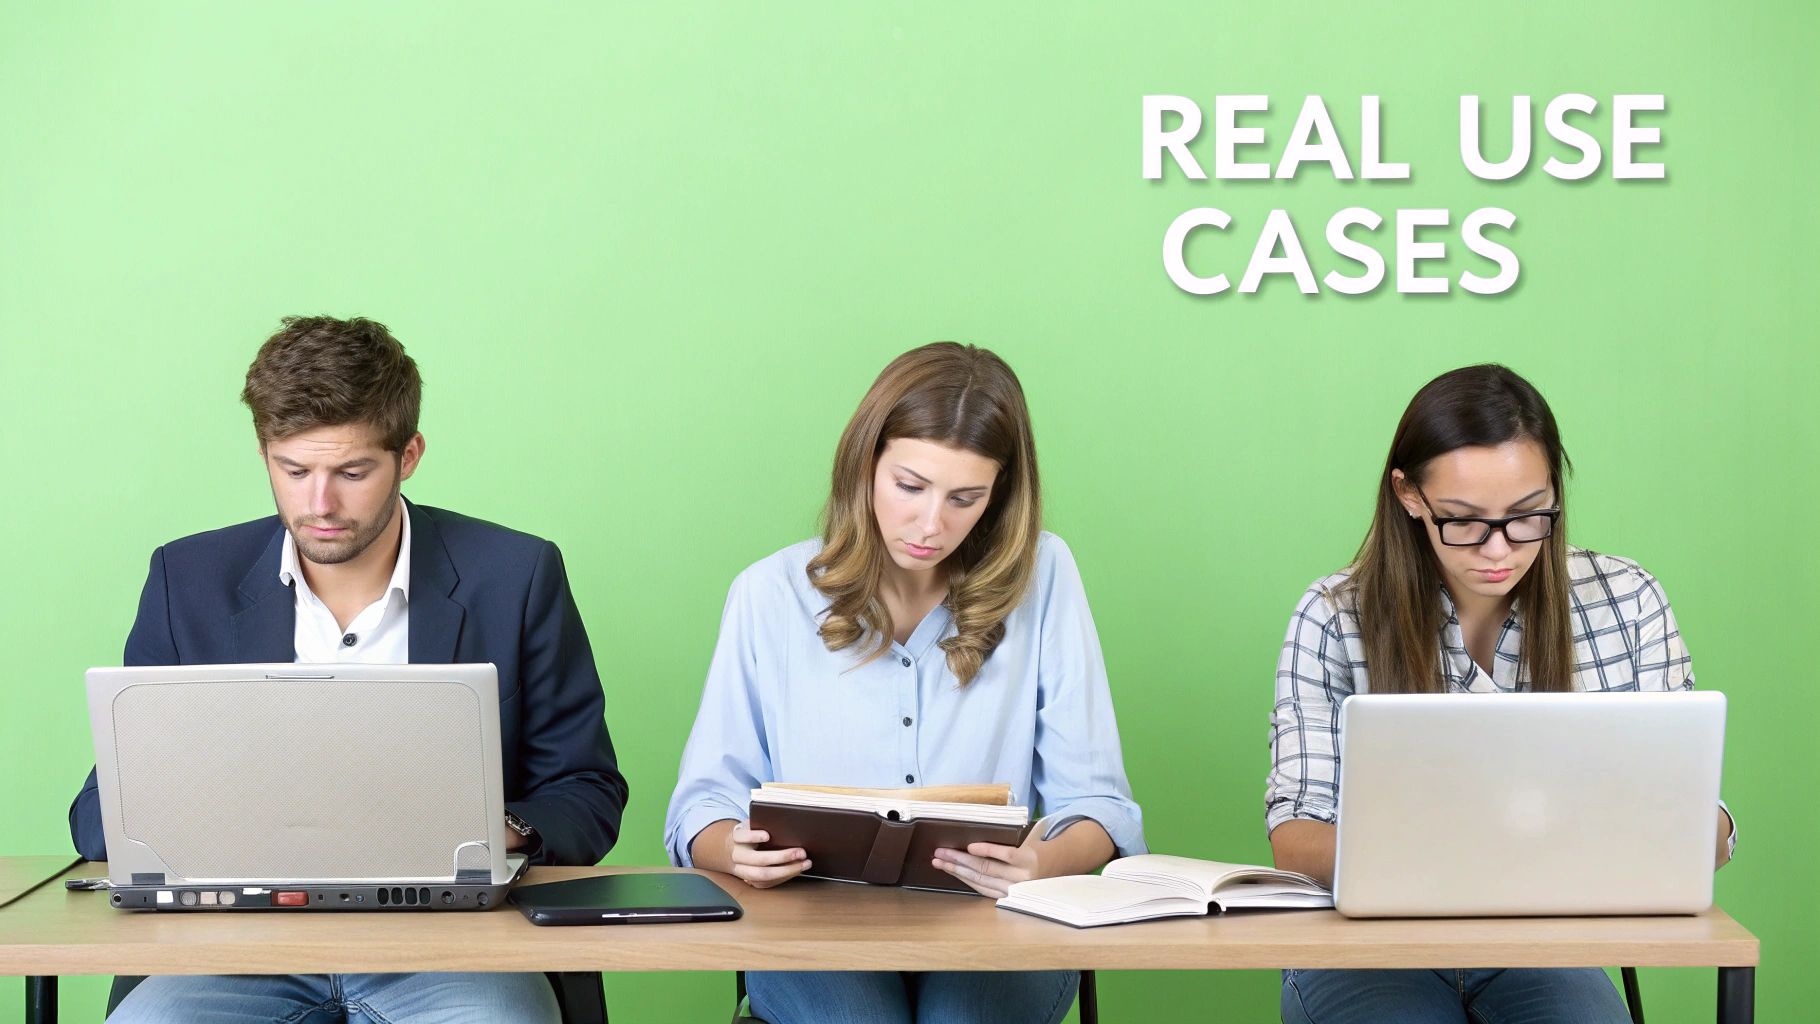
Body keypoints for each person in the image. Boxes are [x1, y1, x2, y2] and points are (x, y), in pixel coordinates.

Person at [70, 315, 628, 1024]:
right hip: (237, 951)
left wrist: (497, 827)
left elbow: (587, 790)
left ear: (410, 455)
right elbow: (98, 812)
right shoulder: (188, 579)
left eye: (352, 472)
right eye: (293, 470)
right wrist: (181, 824)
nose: (318, 504)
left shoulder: (515, 575)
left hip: (452, 952)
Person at [664, 342, 1143, 1024]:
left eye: (965, 498)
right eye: (910, 487)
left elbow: (1101, 803)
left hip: (995, 922)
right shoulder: (769, 593)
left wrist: (1044, 862)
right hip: (812, 925)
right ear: (866, 466)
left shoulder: (1046, 575)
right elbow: (701, 803)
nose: (930, 524)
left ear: (1000, 495)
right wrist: (732, 849)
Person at [1266, 363, 1736, 1024]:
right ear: (1408, 495)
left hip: (1551, 948)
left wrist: (1688, 830)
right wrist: (1485, 853)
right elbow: (1296, 838)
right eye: (1461, 521)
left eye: (1527, 517)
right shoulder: (1334, 614)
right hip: (1368, 948)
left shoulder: (1626, 601)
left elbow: (1705, 830)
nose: (1499, 550)